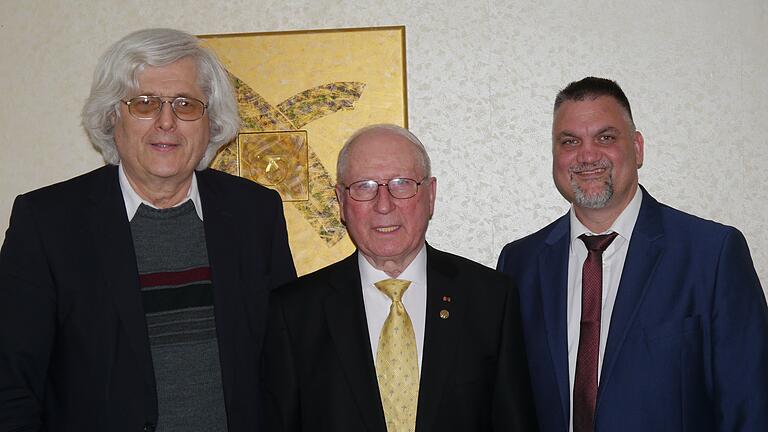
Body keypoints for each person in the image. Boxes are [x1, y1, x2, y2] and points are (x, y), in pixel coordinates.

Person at [0, 28, 296, 431]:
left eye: (185, 104)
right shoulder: (48, 222)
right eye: (144, 103)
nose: (166, 121)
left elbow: (286, 371)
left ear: (211, 122)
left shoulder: (254, 213)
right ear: (111, 116)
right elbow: (11, 385)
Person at [497, 76, 768, 432]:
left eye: (606, 138)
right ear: (554, 155)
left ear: (637, 148)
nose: (588, 155)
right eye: (570, 141)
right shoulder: (519, 264)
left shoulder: (712, 254)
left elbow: (750, 408)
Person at [262, 124, 537, 431]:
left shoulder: (491, 299)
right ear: (341, 201)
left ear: (430, 195)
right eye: (364, 186)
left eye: (401, 184)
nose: (383, 204)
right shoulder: (295, 312)